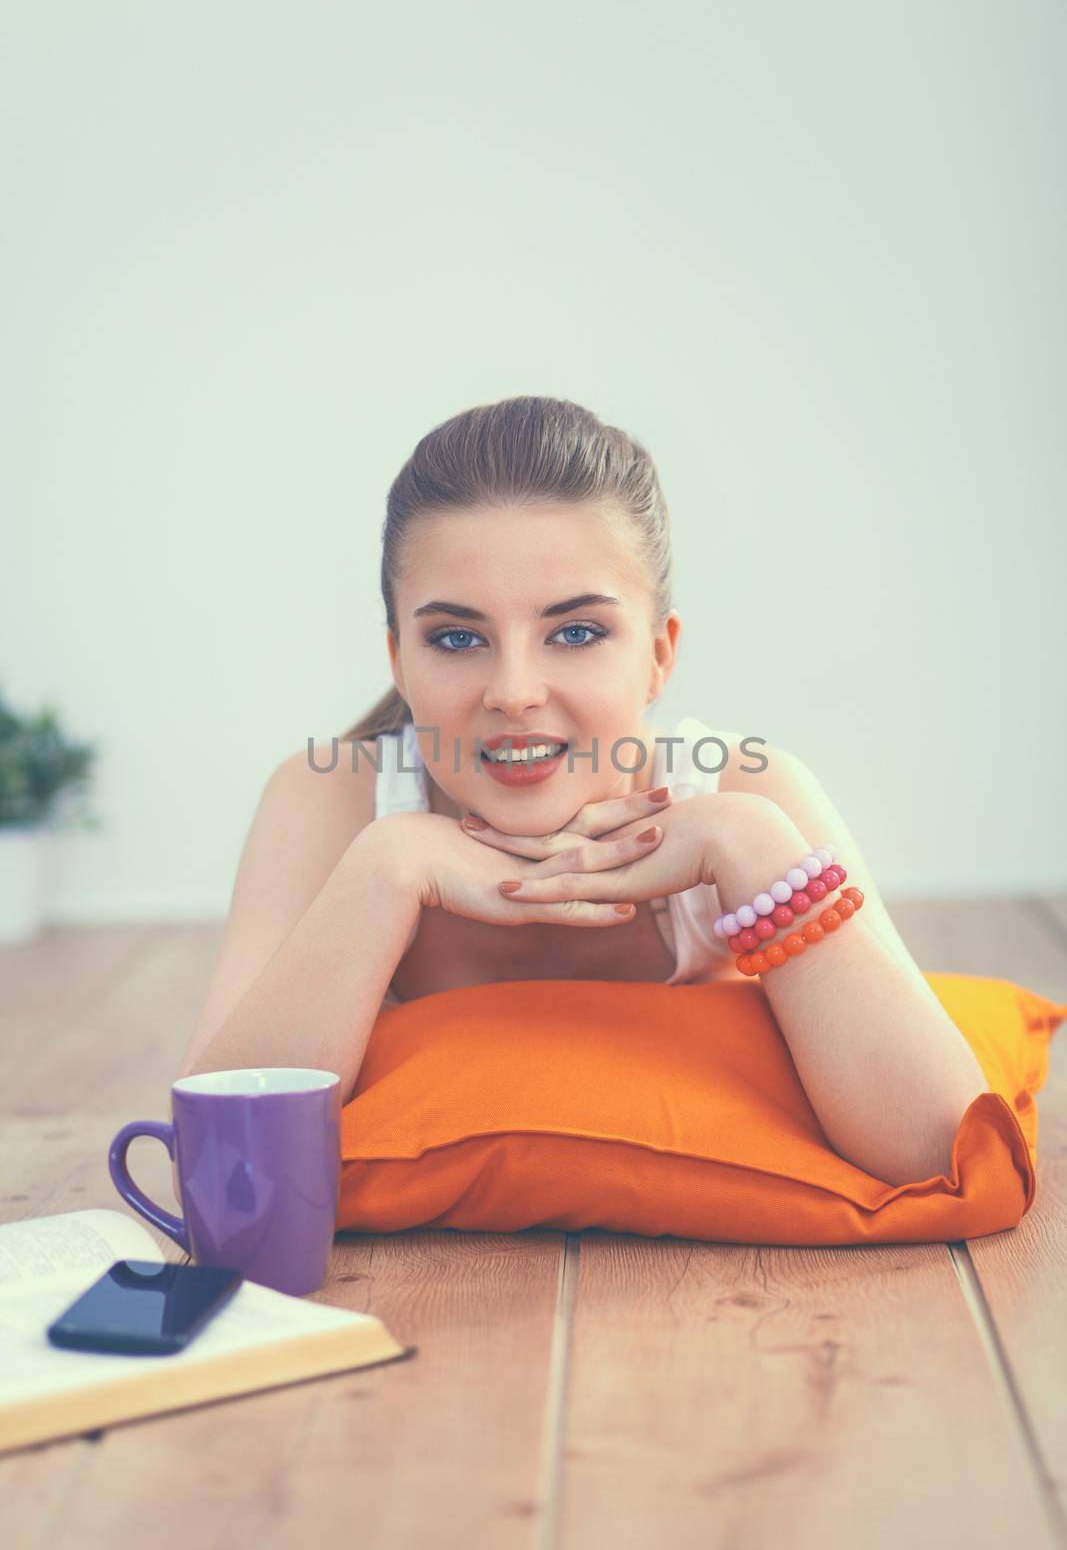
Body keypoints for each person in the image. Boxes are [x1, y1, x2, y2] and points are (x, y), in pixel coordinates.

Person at [181, 395, 986, 1185]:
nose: (514, 691)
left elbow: (936, 1148)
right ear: (398, 659)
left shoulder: (749, 791)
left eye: (575, 632)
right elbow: (221, 1166)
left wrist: (750, 844)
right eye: (456, 638)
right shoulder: (332, 802)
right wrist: (384, 869)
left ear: (659, 655)